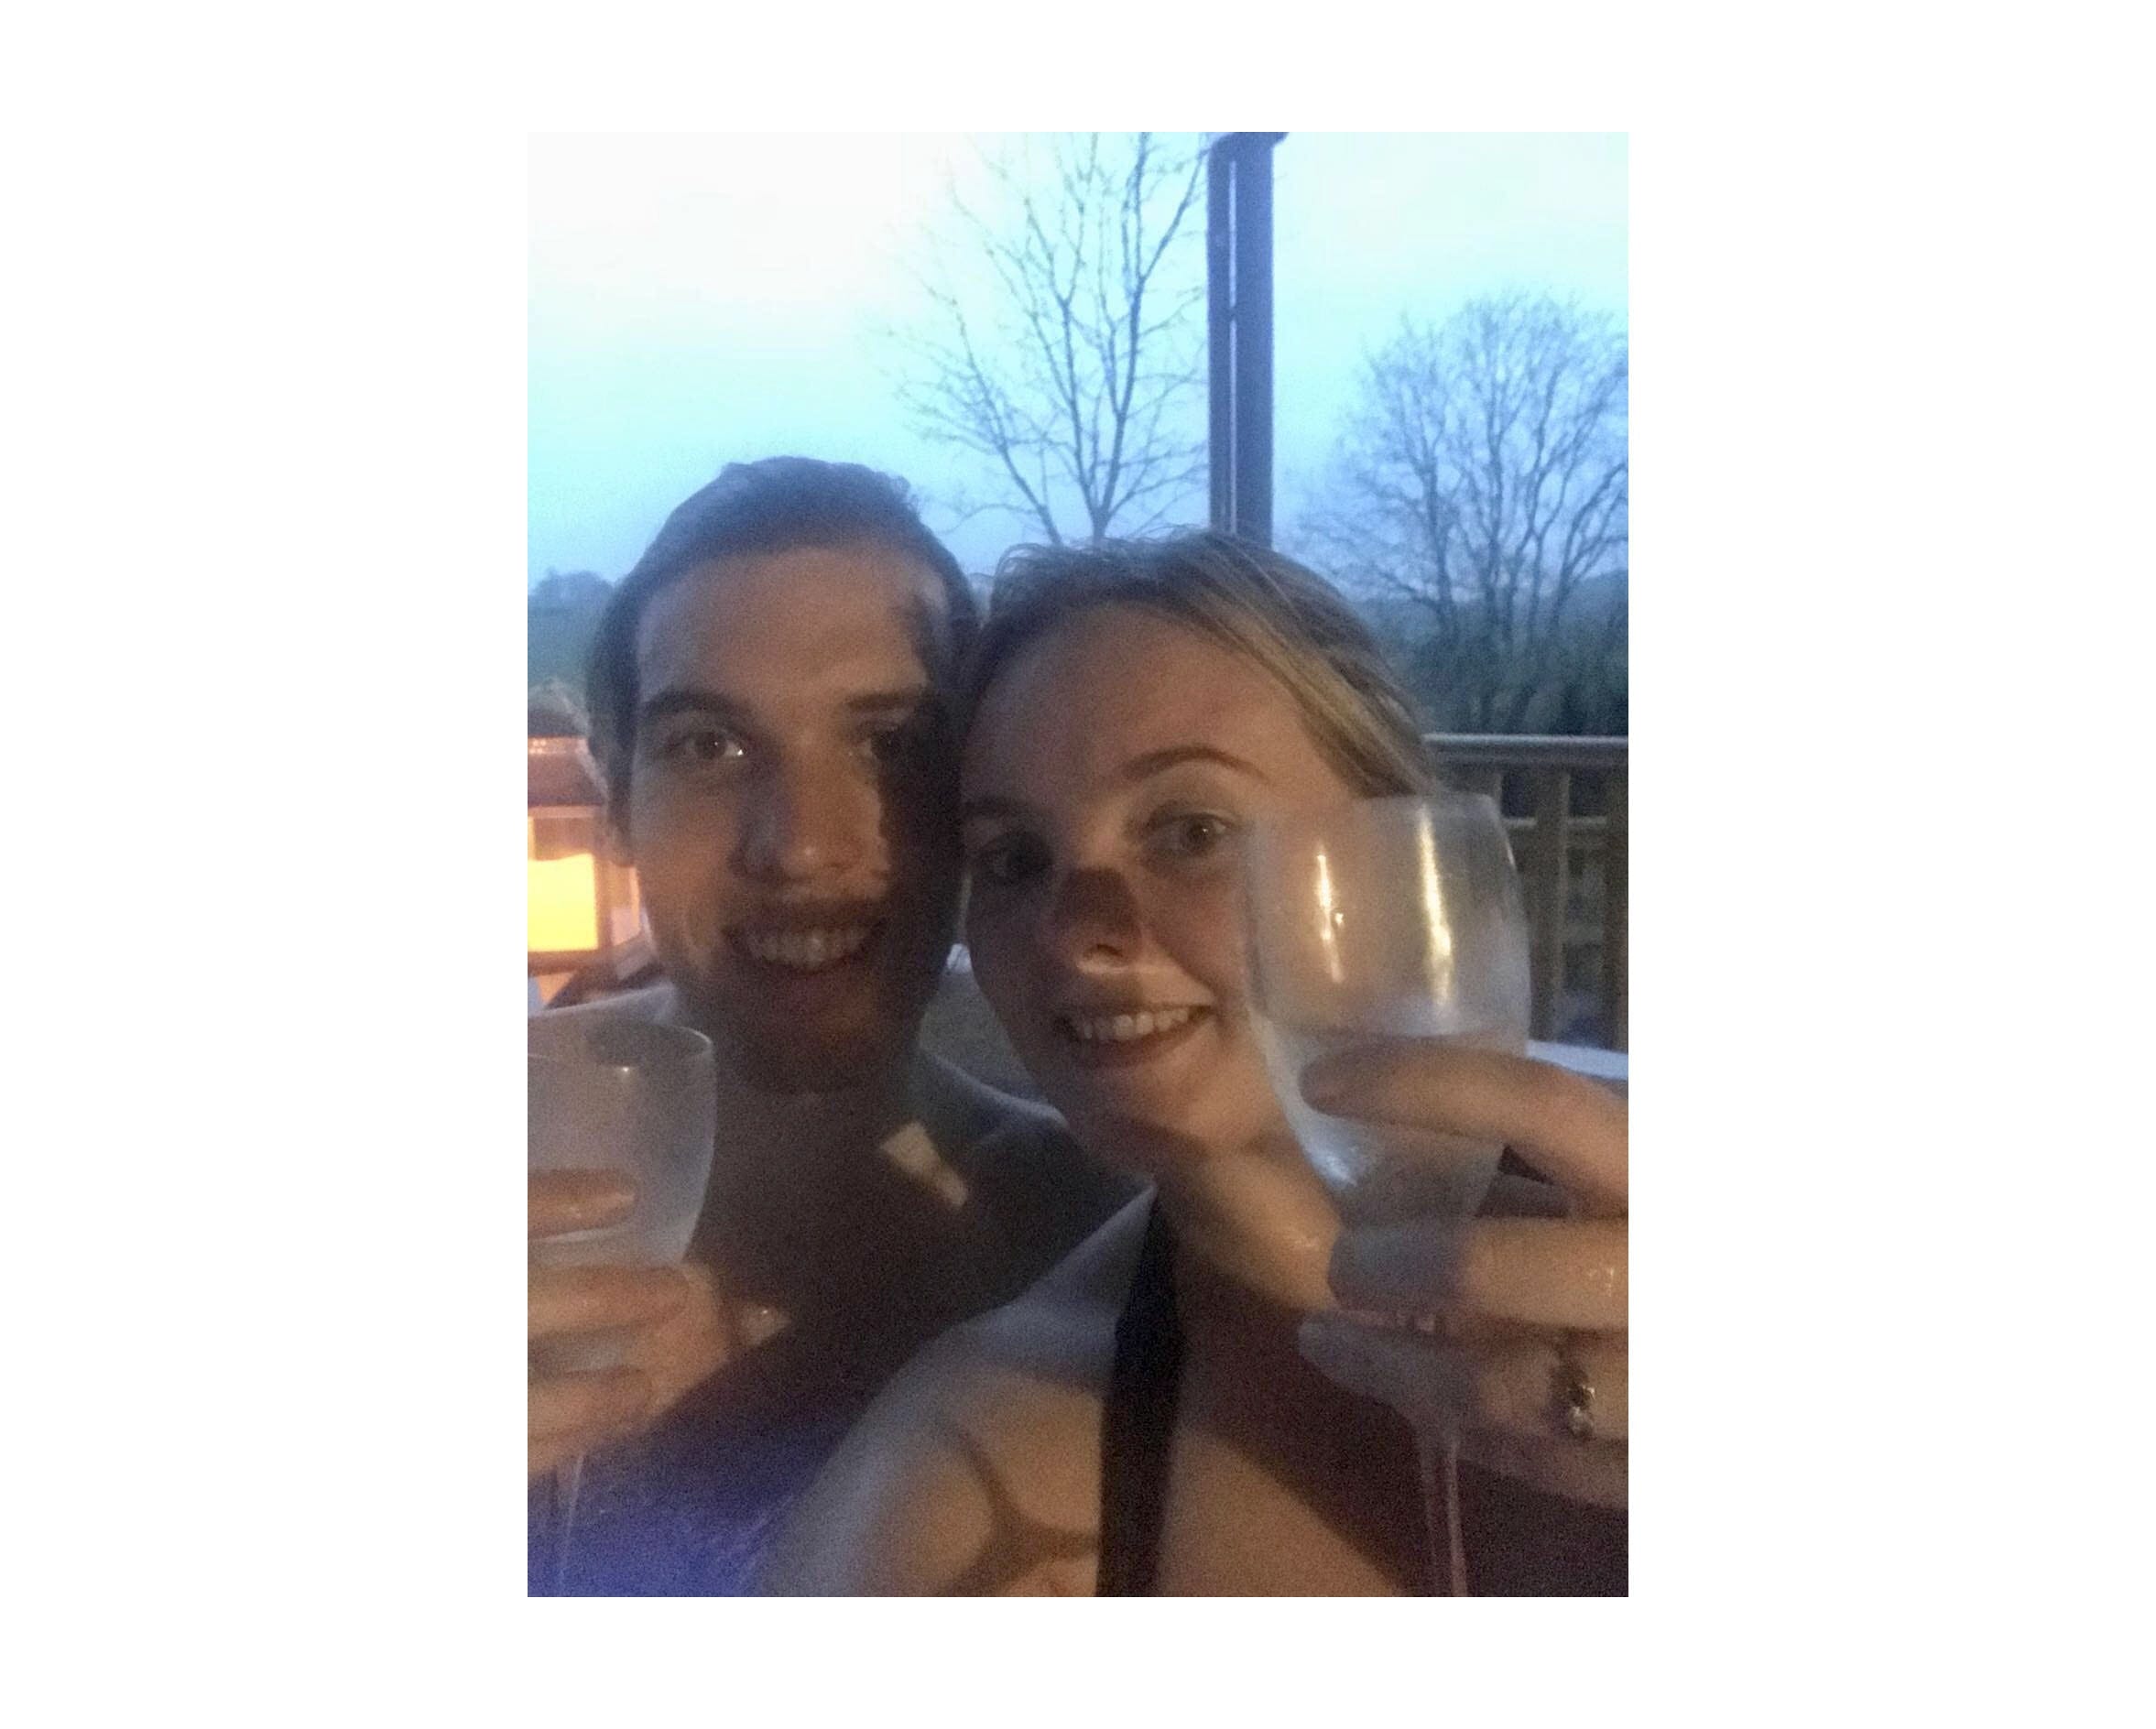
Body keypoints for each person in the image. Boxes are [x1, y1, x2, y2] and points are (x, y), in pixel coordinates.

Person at [760, 532, 1627, 1594]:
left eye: (1189, 830)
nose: (1078, 933)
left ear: (1400, 852)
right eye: (1014, 861)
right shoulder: (956, 1476)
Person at [528, 458, 1132, 1593]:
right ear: (617, 803)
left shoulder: (1104, 1246)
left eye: (888, 744)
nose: (799, 847)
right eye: (707, 746)